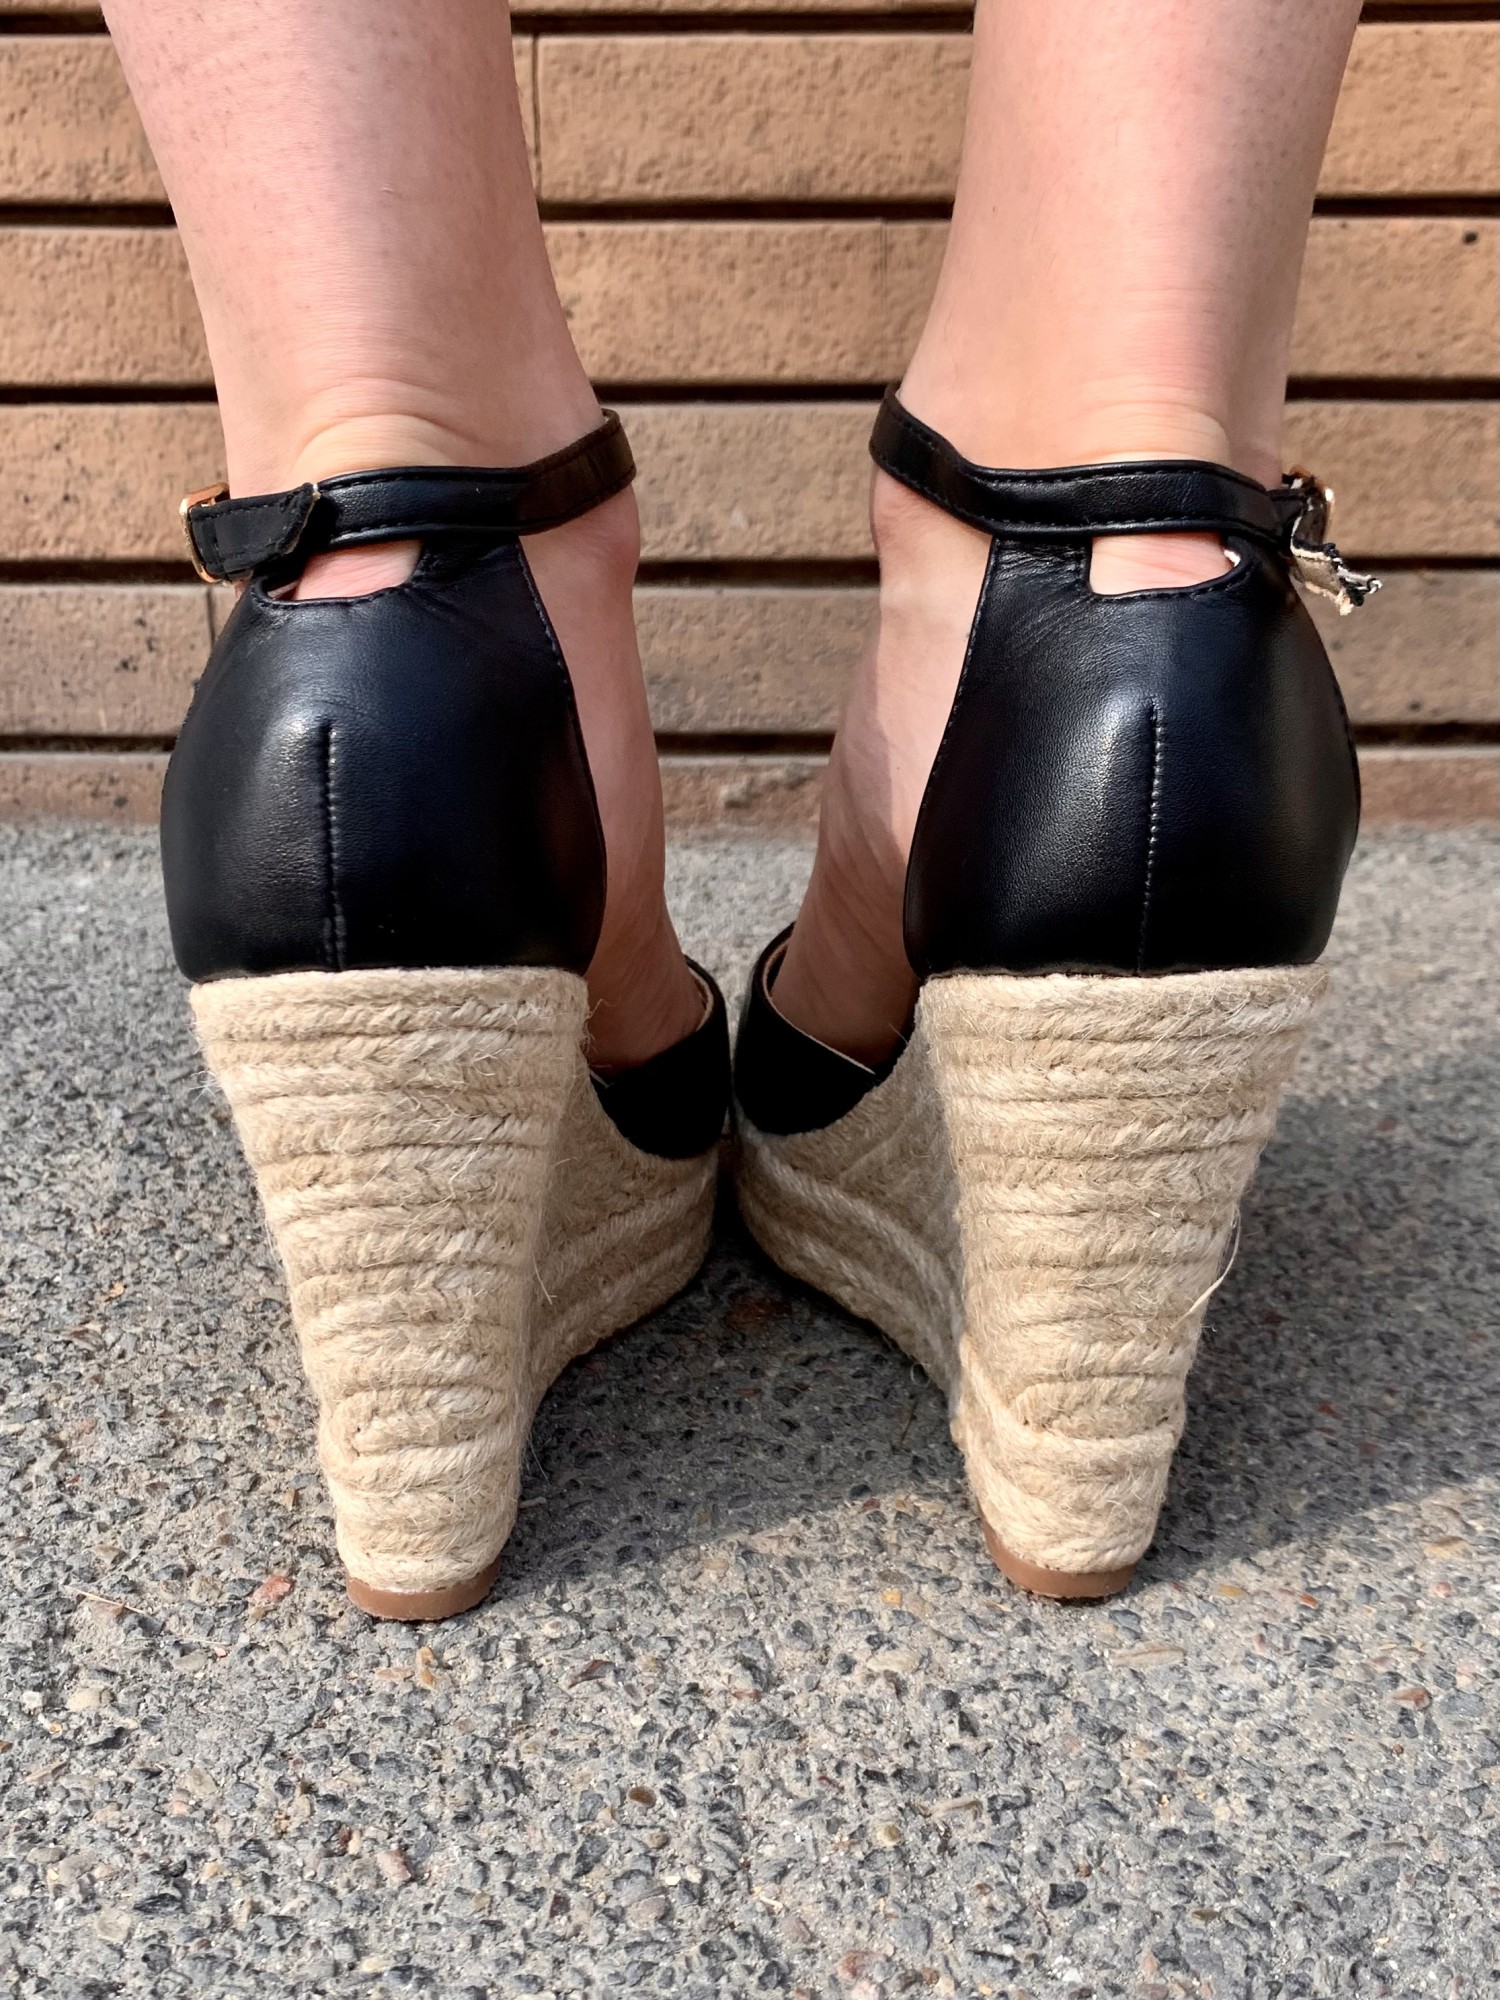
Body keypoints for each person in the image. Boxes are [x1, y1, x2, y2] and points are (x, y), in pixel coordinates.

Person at [104, 0, 1375, 1620]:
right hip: (1213, 725)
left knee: (371, 402)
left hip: (353, 746)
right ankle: (1160, 554)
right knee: (1141, 391)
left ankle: (364, 580)